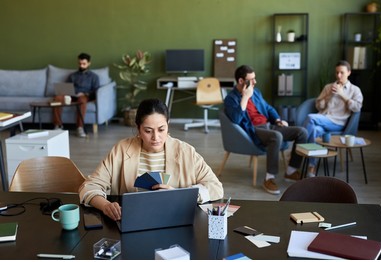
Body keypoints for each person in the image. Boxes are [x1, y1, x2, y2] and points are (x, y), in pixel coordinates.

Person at [79, 98, 224, 220]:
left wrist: (178, 194)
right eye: (148, 131)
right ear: (138, 128)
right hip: (130, 219)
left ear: (168, 125)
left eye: (161, 129)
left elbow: (215, 187)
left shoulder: (186, 151)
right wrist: (105, 205)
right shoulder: (122, 150)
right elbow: (89, 187)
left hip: (174, 220)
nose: (156, 137)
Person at [224, 65, 308, 195]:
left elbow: (268, 108)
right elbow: (235, 119)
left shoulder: (256, 92)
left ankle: (291, 171)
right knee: (277, 137)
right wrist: (245, 97)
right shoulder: (231, 98)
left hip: (269, 126)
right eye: (251, 79)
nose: (255, 82)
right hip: (253, 130)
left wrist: (277, 120)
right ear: (241, 81)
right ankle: (269, 178)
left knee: (302, 132)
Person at [303, 60, 363, 176]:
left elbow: (357, 108)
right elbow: (318, 105)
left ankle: (299, 149)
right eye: (337, 73)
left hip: (338, 122)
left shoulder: (355, 90)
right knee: (314, 130)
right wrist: (327, 96)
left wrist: (342, 94)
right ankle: (312, 165)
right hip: (323, 119)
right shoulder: (328, 87)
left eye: (342, 73)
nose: (339, 75)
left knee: (310, 117)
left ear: (349, 73)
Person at [53, 52, 99, 138]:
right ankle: (58, 125)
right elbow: (66, 87)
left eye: (84, 64)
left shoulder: (94, 77)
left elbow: (96, 90)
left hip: (84, 96)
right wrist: (68, 92)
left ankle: (79, 127)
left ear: (89, 63)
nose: (81, 66)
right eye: (80, 63)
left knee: (82, 100)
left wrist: (85, 93)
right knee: (58, 98)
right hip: (71, 95)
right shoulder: (73, 76)